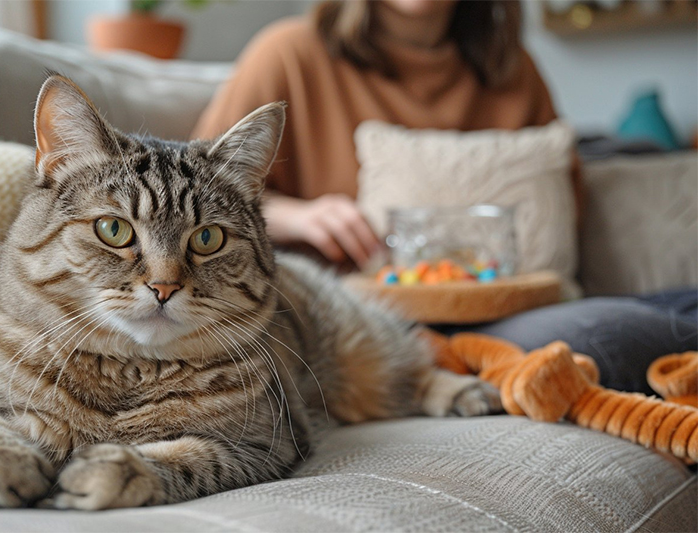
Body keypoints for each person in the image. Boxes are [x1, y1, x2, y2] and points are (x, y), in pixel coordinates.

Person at [192, 0, 696, 394]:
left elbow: (570, 203)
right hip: (371, 323)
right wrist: (303, 216)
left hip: (507, 305)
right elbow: (194, 193)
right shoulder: (289, 52)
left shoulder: (512, 68)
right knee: (601, 342)